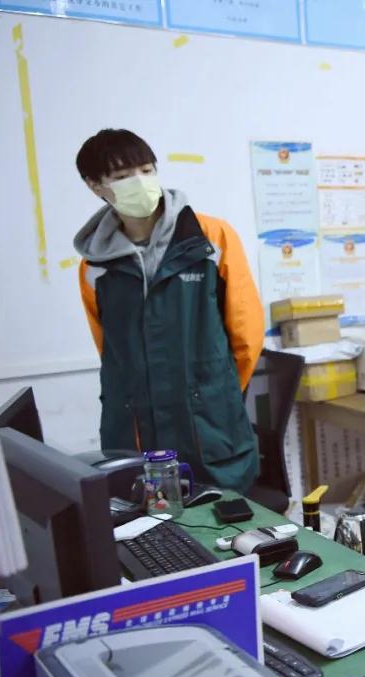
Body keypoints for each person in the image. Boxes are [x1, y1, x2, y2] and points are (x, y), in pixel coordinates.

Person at [75, 129, 263, 491]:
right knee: (146, 519)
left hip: (208, 427)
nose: (140, 182)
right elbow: (111, 350)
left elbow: (247, 335)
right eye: (122, 176)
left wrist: (212, 391)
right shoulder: (94, 265)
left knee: (220, 516)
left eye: (146, 170)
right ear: (95, 186)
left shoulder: (211, 238)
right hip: (135, 428)